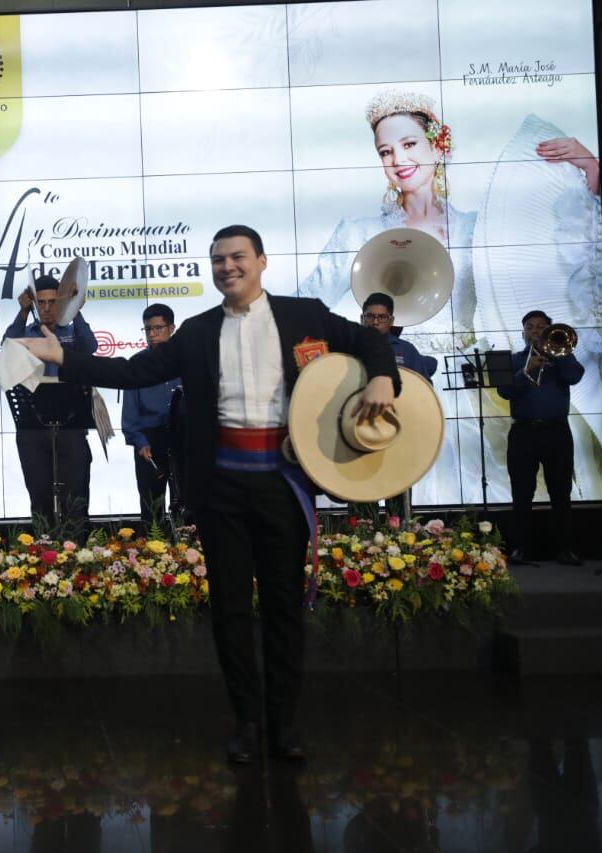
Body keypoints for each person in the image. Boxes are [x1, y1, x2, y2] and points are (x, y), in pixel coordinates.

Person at [20, 225, 399, 764]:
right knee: (229, 611)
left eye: (238, 257)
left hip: (283, 484)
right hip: (220, 488)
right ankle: (246, 723)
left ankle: (283, 726)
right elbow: (134, 371)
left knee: (284, 609)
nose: (227, 267)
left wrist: (384, 378)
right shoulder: (197, 332)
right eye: (218, 259)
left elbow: (368, 342)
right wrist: (64, 357)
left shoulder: (304, 315)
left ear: (262, 261)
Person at [300, 89, 602, 505]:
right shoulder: (356, 233)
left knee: (487, 482)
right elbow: (305, 306)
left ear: (437, 145)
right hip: (391, 380)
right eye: (386, 151)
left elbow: (567, 245)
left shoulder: (477, 229)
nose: (399, 160)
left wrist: (588, 165)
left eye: (409, 144)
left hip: (469, 385)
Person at [2, 274, 97, 528]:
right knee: (39, 494)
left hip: (72, 424)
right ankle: (41, 557)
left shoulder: (71, 329)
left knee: (76, 495)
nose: (46, 308)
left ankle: (79, 554)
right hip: (32, 426)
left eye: (53, 302)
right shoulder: (27, 331)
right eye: (41, 303)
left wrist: (74, 310)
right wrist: (22, 314)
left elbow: (90, 348)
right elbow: (7, 351)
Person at [496, 310, 584, 566]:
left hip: (557, 432)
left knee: (561, 493)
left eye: (541, 327)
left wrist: (560, 354)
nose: (535, 331)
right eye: (530, 327)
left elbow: (575, 376)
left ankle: (565, 549)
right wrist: (526, 371)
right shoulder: (514, 360)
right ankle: (520, 549)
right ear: (523, 333)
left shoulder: (562, 356)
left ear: (549, 330)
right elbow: (504, 391)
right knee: (522, 494)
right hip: (523, 433)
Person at [351, 292, 436, 523]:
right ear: (362, 318)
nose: (375, 322)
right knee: (359, 491)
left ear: (391, 320)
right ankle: (360, 546)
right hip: (358, 431)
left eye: (381, 317)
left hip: (398, 433)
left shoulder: (406, 351)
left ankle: (399, 547)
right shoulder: (349, 347)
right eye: (370, 316)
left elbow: (424, 390)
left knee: (397, 496)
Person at [121, 304, 182, 525]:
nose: (152, 334)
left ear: (171, 328)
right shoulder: (138, 364)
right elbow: (129, 414)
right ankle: (152, 554)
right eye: (148, 329)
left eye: (158, 328)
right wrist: (139, 441)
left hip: (181, 437)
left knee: (185, 502)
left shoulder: (185, 361)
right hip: (150, 440)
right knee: (151, 506)